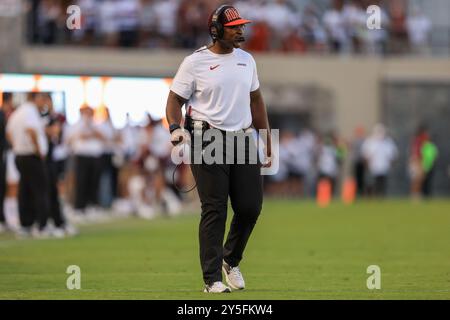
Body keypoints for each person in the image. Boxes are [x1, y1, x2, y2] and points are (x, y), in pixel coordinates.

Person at [165, 4, 271, 293]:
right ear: (216, 30)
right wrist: (175, 129)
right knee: (215, 209)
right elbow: (174, 101)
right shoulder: (194, 62)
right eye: (234, 26)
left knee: (251, 207)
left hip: (243, 138)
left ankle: (231, 260)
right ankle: (211, 279)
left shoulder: (247, 60)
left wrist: (266, 138)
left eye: (242, 26)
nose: (241, 30)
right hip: (207, 138)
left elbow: (256, 100)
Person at [6, 92, 50, 237]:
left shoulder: (17, 112)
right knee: (40, 190)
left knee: (24, 190)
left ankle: (26, 224)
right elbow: (30, 130)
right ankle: (42, 225)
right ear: (35, 99)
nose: (44, 104)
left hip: (20, 155)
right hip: (31, 156)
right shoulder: (30, 112)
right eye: (42, 99)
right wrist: (38, 150)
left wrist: (17, 146)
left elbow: (8, 133)